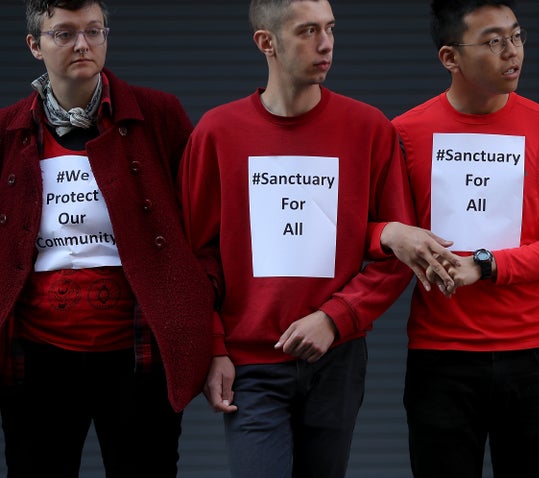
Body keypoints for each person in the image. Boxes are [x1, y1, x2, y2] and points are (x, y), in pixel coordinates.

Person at [178, 1, 458, 476]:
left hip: (338, 359)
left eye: (330, 28)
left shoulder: (368, 128)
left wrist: (333, 319)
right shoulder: (217, 133)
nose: (326, 43)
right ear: (267, 42)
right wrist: (215, 348)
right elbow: (193, 257)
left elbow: (397, 254)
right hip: (252, 364)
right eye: (307, 31)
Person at [0, 1, 214, 476]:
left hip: (139, 354)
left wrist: (211, 331)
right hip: (36, 359)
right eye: (64, 34)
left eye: (94, 31)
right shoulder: (9, 130)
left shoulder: (157, 115)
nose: (83, 44)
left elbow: (204, 232)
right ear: (34, 45)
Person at [391, 1, 539, 476]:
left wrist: (485, 264)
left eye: (517, 36)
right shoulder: (404, 134)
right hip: (440, 358)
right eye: (494, 41)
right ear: (450, 58)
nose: (513, 52)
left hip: (535, 357)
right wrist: (391, 233)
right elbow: (371, 228)